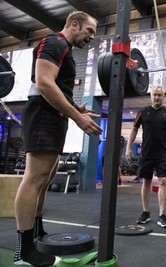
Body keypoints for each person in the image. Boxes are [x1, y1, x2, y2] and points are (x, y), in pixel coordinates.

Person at [14, 11, 102, 267]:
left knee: (46, 179)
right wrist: (77, 117)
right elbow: (43, 83)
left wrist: (75, 108)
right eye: (89, 31)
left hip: (54, 115)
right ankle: (24, 252)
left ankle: (38, 233)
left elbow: (57, 87)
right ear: (74, 24)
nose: (92, 37)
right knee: (35, 178)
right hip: (43, 113)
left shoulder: (65, 49)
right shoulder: (54, 42)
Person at [125, 85, 166, 229]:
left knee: (163, 181)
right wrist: (128, 148)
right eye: (155, 95)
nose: (157, 97)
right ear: (151, 96)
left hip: (163, 154)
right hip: (147, 153)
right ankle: (146, 212)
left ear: (163, 96)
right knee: (146, 182)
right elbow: (134, 129)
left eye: (160, 95)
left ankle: (162, 215)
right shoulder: (143, 112)